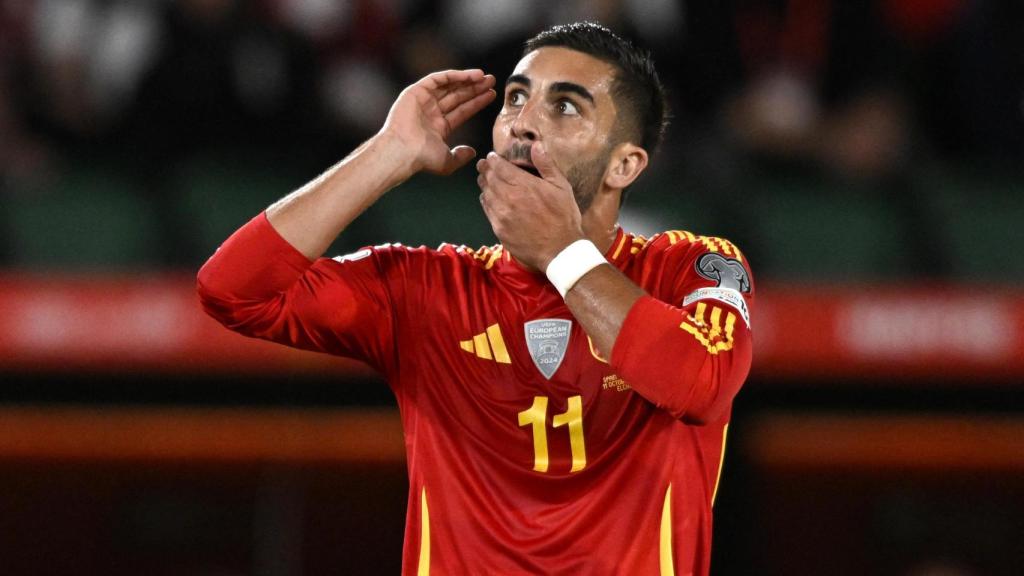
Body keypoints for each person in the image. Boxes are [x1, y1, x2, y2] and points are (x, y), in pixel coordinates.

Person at [197, 21, 753, 575]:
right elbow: (233, 291)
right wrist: (387, 153)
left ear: (624, 165)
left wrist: (561, 253)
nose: (522, 123)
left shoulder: (690, 267)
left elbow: (701, 382)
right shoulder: (428, 288)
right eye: (515, 98)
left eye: (564, 107)